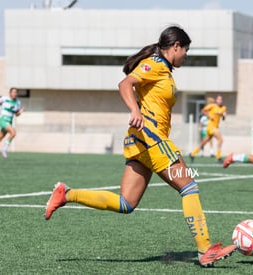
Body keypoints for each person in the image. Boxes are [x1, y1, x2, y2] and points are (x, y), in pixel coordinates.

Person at [44, 25, 236, 268]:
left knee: (126, 203)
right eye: (185, 50)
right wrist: (135, 110)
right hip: (153, 139)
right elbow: (125, 84)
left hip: (141, 143)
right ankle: (205, 249)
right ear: (175, 46)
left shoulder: (164, 70)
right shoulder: (155, 64)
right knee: (189, 187)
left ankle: (67, 194)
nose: (186, 56)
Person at [190, 95, 226, 162]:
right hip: (210, 126)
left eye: (221, 99)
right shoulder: (212, 106)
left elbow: (223, 118)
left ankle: (192, 154)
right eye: (218, 99)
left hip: (215, 127)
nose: (220, 101)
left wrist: (224, 116)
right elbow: (203, 110)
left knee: (204, 142)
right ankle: (218, 157)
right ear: (216, 100)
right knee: (220, 140)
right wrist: (209, 116)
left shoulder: (223, 108)